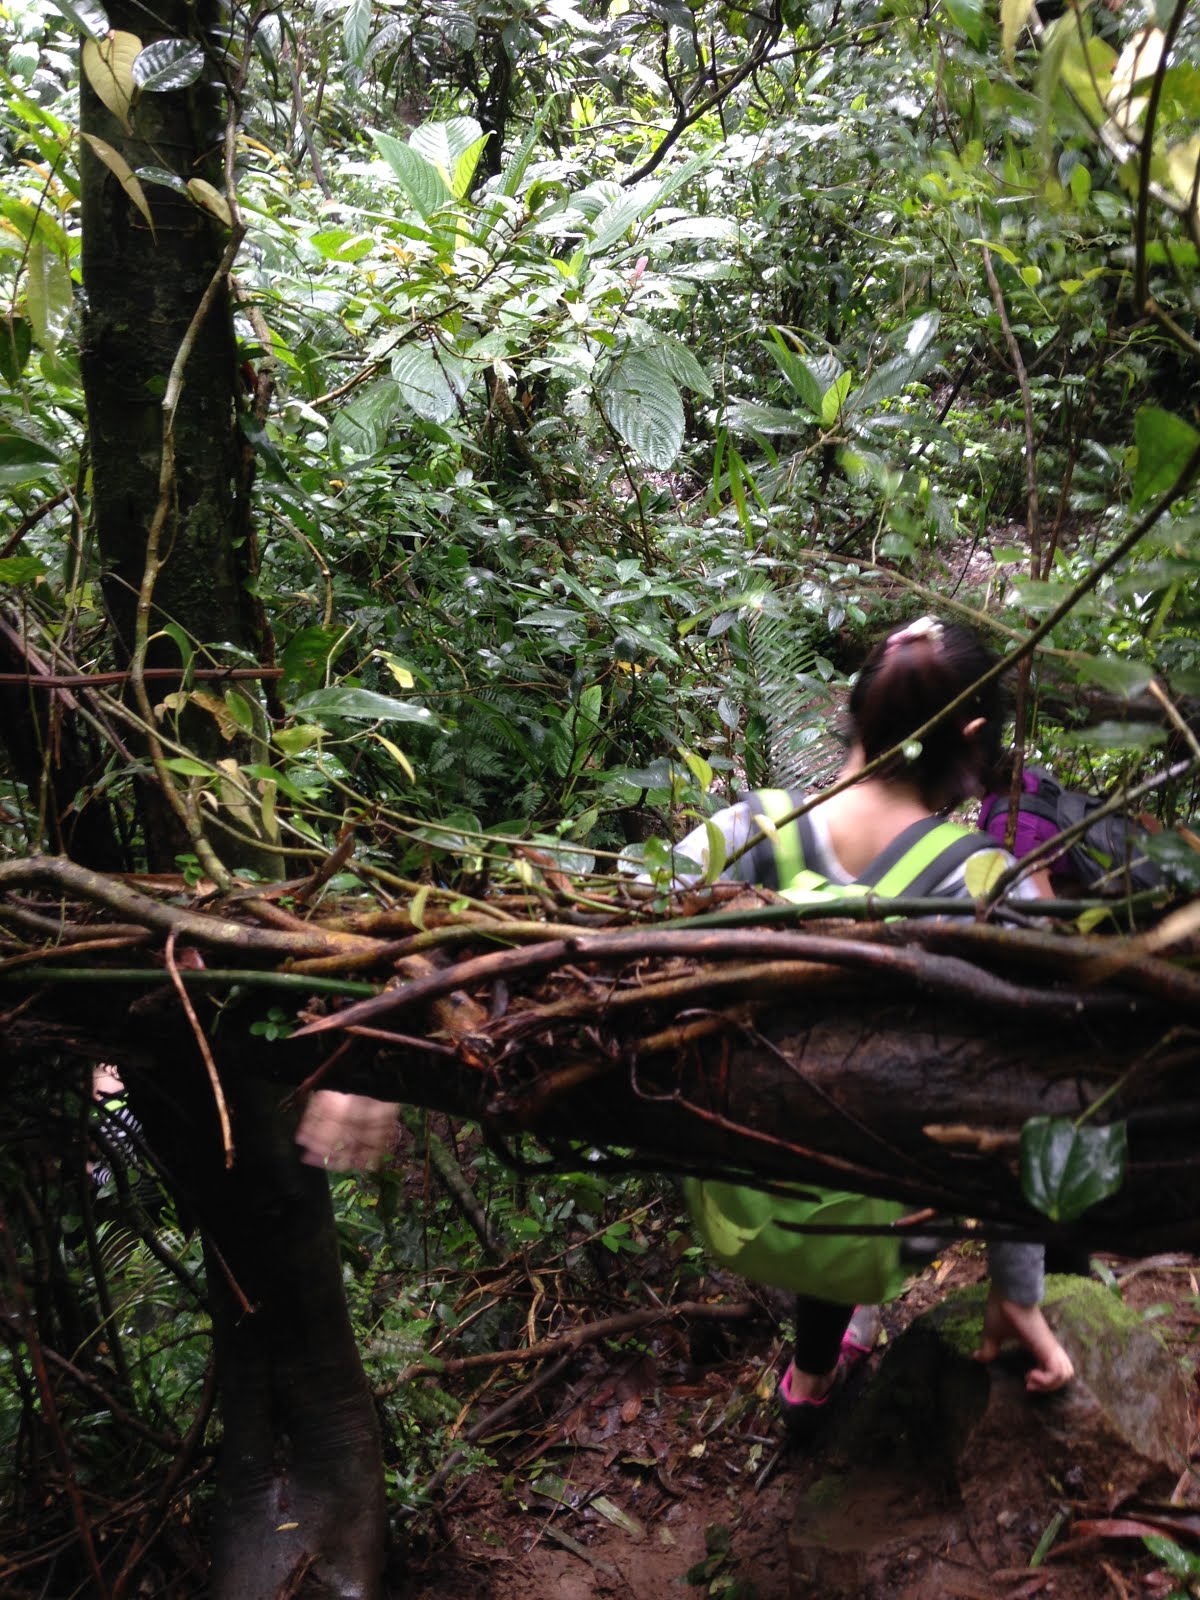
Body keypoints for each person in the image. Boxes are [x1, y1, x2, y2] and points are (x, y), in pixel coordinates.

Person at [667, 615, 1074, 1425]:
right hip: (887, 1215)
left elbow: (619, 931)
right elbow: (1031, 1087)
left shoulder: (746, 832)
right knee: (880, 1142)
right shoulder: (980, 883)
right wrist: (1016, 1288)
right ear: (971, 737)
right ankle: (841, 1341)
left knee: (819, 1145)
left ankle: (812, 1377)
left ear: (853, 708)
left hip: (742, 1197)